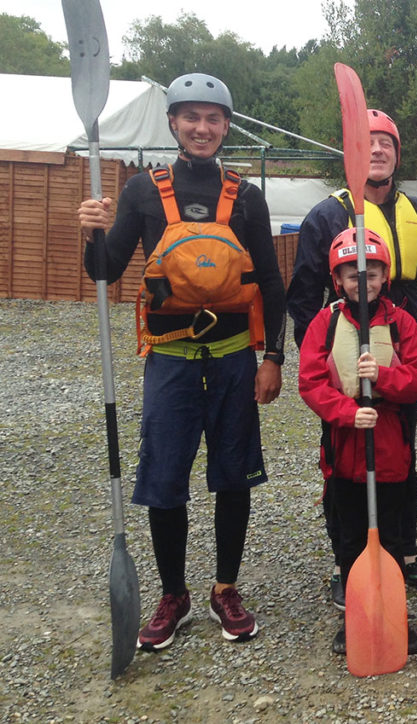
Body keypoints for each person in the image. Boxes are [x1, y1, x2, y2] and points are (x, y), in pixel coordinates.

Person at [77, 73, 286, 650]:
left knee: (233, 476)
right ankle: (175, 593)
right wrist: (93, 235)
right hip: (169, 360)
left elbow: (269, 281)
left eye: (213, 119)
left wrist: (273, 357)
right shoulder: (143, 191)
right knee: (164, 478)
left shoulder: (247, 196)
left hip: (233, 360)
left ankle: (225, 587)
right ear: (172, 122)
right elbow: (105, 271)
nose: (202, 128)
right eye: (191, 117)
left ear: (226, 126)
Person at [287, 109, 417, 602]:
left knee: (400, 454)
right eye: (368, 142)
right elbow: (302, 295)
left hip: (401, 336)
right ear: (353, 154)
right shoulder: (325, 216)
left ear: (396, 154)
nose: (377, 149)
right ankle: (351, 557)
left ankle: (403, 552)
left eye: (386, 142)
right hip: (343, 341)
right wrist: (318, 365)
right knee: (341, 457)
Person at [298, 229, 417, 655]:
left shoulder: (401, 322)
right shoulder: (325, 323)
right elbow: (311, 382)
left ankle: (395, 617)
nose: (363, 282)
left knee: (391, 538)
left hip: (390, 443)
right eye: (353, 275)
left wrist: (383, 377)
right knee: (351, 538)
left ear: (384, 277)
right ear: (338, 280)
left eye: (371, 273)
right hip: (345, 447)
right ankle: (355, 618)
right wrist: (346, 412)